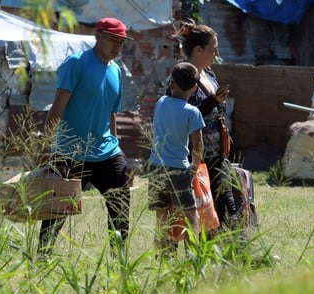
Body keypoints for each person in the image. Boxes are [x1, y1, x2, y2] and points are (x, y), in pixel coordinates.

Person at [40, 17, 133, 253]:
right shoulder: (76, 63)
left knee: (120, 202)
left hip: (106, 152)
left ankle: (119, 258)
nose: (118, 46)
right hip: (70, 151)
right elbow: (57, 107)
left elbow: (111, 113)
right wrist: (45, 146)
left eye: (121, 42)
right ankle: (42, 257)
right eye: (113, 39)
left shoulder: (116, 71)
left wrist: (117, 144)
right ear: (97, 35)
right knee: (57, 211)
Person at [172, 18, 240, 230]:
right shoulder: (183, 76)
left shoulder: (209, 73)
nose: (216, 54)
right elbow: (181, 117)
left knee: (227, 203)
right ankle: (215, 253)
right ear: (199, 50)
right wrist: (213, 101)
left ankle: (235, 251)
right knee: (203, 211)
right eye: (213, 49)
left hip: (217, 154)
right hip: (195, 158)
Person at [146, 62, 205, 252]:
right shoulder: (193, 113)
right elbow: (198, 146)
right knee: (191, 215)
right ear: (195, 88)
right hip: (179, 169)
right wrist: (193, 169)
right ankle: (192, 257)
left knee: (162, 218)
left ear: (172, 84)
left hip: (155, 167)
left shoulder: (161, 103)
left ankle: (162, 259)